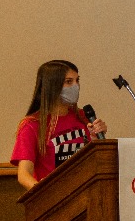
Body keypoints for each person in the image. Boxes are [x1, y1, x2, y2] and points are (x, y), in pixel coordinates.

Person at [10, 60, 107, 191]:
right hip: (54, 198)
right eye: (68, 82)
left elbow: (94, 162)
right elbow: (24, 174)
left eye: (77, 80)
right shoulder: (32, 125)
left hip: (86, 193)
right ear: (52, 86)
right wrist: (42, 190)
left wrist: (97, 140)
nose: (76, 86)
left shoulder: (83, 117)